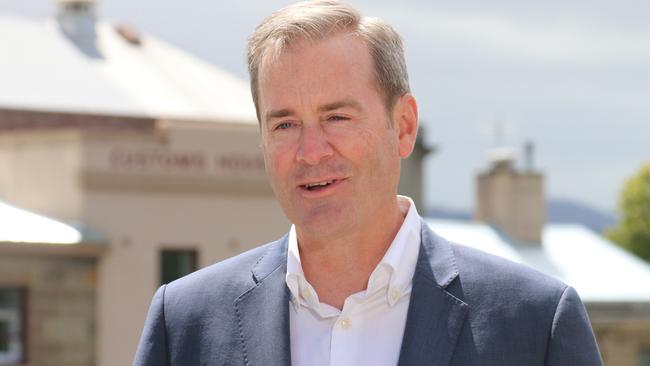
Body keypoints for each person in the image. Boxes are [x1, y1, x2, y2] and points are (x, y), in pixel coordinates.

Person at [134, 1, 603, 365]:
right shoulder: (186, 323)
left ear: (402, 126)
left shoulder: (534, 324)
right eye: (284, 124)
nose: (310, 151)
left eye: (336, 117)